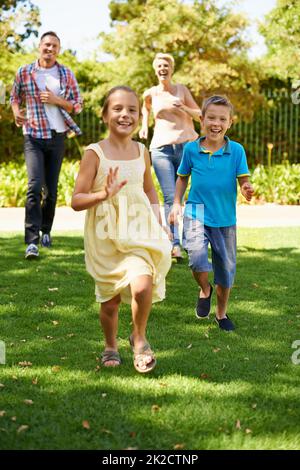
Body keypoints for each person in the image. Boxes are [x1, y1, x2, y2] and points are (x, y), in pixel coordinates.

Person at [71, 86, 171, 373]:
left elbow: (150, 190)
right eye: (117, 109)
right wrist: (103, 194)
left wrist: (160, 224)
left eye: (132, 110)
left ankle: (139, 338)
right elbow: (77, 200)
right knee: (111, 302)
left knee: (143, 285)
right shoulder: (94, 153)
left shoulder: (142, 151)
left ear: (140, 117)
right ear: (104, 115)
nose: (125, 114)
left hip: (140, 230)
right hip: (105, 235)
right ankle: (110, 345)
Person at [169, 95, 254, 331]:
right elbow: (182, 178)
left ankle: (221, 313)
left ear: (230, 123)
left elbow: (243, 180)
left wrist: (246, 188)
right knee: (196, 259)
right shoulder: (191, 149)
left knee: (225, 272)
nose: (216, 123)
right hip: (196, 211)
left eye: (222, 119)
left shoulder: (236, 150)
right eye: (211, 118)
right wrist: (176, 202)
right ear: (202, 120)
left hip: (225, 218)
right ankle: (205, 289)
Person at [10, 31, 83, 259]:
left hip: (57, 135)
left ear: (58, 50)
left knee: (51, 191)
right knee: (33, 186)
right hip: (32, 134)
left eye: (54, 46)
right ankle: (31, 241)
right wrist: (16, 113)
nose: (49, 49)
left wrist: (56, 100)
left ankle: (46, 231)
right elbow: (14, 97)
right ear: (39, 46)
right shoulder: (25, 72)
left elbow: (77, 105)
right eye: (46, 45)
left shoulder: (65, 73)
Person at [139, 52, 201, 260]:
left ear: (171, 69)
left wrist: (183, 107)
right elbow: (145, 109)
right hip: (161, 149)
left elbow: (200, 114)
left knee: (186, 196)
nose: (163, 68)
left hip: (186, 148)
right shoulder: (150, 93)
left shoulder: (181, 90)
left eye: (166, 65)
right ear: (155, 70)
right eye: (159, 66)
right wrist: (144, 127)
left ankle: (191, 240)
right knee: (169, 197)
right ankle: (175, 244)